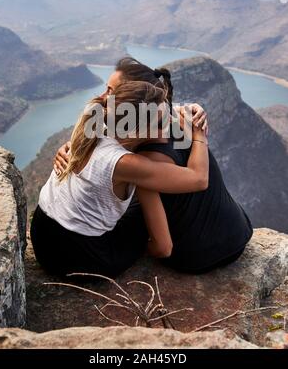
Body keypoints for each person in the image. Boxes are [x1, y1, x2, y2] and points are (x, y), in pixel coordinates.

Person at [54, 57, 253, 275]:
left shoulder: (145, 162)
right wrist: (71, 147)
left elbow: (163, 246)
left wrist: (140, 249)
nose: (105, 99)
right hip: (238, 233)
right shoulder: (180, 122)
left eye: (112, 92)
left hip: (195, 255)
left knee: (128, 216)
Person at [31, 79, 209, 277]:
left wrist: (191, 109)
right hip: (77, 258)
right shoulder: (124, 163)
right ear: (136, 131)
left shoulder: (99, 119)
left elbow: (143, 112)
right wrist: (199, 135)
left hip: (42, 233)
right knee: (148, 204)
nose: (169, 121)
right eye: (161, 122)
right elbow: (199, 179)